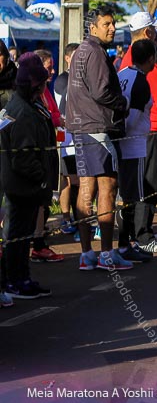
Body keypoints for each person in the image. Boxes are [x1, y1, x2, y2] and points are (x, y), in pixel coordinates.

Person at [67, 5, 132, 271]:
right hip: (96, 129)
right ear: (93, 28)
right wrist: (124, 104)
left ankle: (87, 255)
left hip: (83, 129)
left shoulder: (83, 51)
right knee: (107, 187)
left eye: (113, 23)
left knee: (87, 188)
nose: (112, 28)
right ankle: (105, 254)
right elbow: (102, 92)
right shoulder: (94, 52)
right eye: (107, 24)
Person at [0, 54, 58, 298]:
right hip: (21, 185)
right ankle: (15, 280)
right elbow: (23, 156)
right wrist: (41, 178)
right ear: (35, 84)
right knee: (18, 236)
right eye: (43, 82)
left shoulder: (28, 105)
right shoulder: (21, 110)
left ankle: (21, 277)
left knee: (21, 236)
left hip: (25, 185)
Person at [118, 12, 157, 252]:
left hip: (140, 130)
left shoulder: (127, 60)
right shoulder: (143, 60)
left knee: (135, 186)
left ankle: (136, 234)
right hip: (149, 130)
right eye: (155, 29)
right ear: (148, 32)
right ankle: (142, 236)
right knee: (147, 184)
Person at [116, 39, 155, 263]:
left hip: (122, 142)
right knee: (131, 197)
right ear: (151, 58)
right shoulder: (141, 82)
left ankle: (125, 243)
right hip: (133, 143)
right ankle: (125, 245)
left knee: (125, 195)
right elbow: (131, 119)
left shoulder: (122, 73)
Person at [28, 50, 63, 263]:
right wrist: (55, 121)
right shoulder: (32, 93)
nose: (53, 71)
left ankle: (39, 243)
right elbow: (45, 117)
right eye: (49, 67)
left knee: (44, 200)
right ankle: (37, 244)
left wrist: (59, 121)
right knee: (36, 201)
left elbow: (53, 114)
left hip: (49, 147)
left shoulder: (45, 90)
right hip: (37, 152)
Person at [54, 43, 80, 236]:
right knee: (70, 180)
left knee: (75, 181)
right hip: (66, 138)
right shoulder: (64, 81)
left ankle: (77, 220)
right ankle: (67, 219)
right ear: (68, 58)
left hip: (74, 138)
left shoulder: (77, 79)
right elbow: (63, 111)